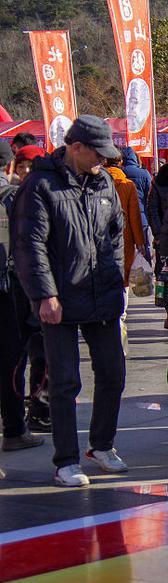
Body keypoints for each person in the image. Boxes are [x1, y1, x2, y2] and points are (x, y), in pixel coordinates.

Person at [13, 115, 129, 487]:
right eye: (98, 153)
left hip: (102, 294)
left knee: (112, 373)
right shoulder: (40, 185)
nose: (104, 161)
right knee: (64, 382)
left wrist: (116, 280)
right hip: (58, 298)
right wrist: (45, 294)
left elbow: (116, 235)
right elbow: (30, 245)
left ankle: (102, 445)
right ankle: (66, 459)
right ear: (75, 147)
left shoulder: (105, 183)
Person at [0, 150, 45, 452]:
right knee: (11, 360)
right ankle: (15, 429)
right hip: (9, 288)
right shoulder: (14, 197)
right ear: (9, 165)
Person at [103, 155, 146, 356]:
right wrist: (140, 242)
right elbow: (134, 216)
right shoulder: (127, 185)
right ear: (120, 163)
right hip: (125, 239)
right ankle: (121, 317)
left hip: (101, 240)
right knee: (124, 281)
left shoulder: (98, 182)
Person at [120, 147, 152, 251]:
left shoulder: (120, 173)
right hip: (142, 217)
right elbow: (149, 196)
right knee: (144, 249)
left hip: (124, 218)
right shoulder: (144, 173)